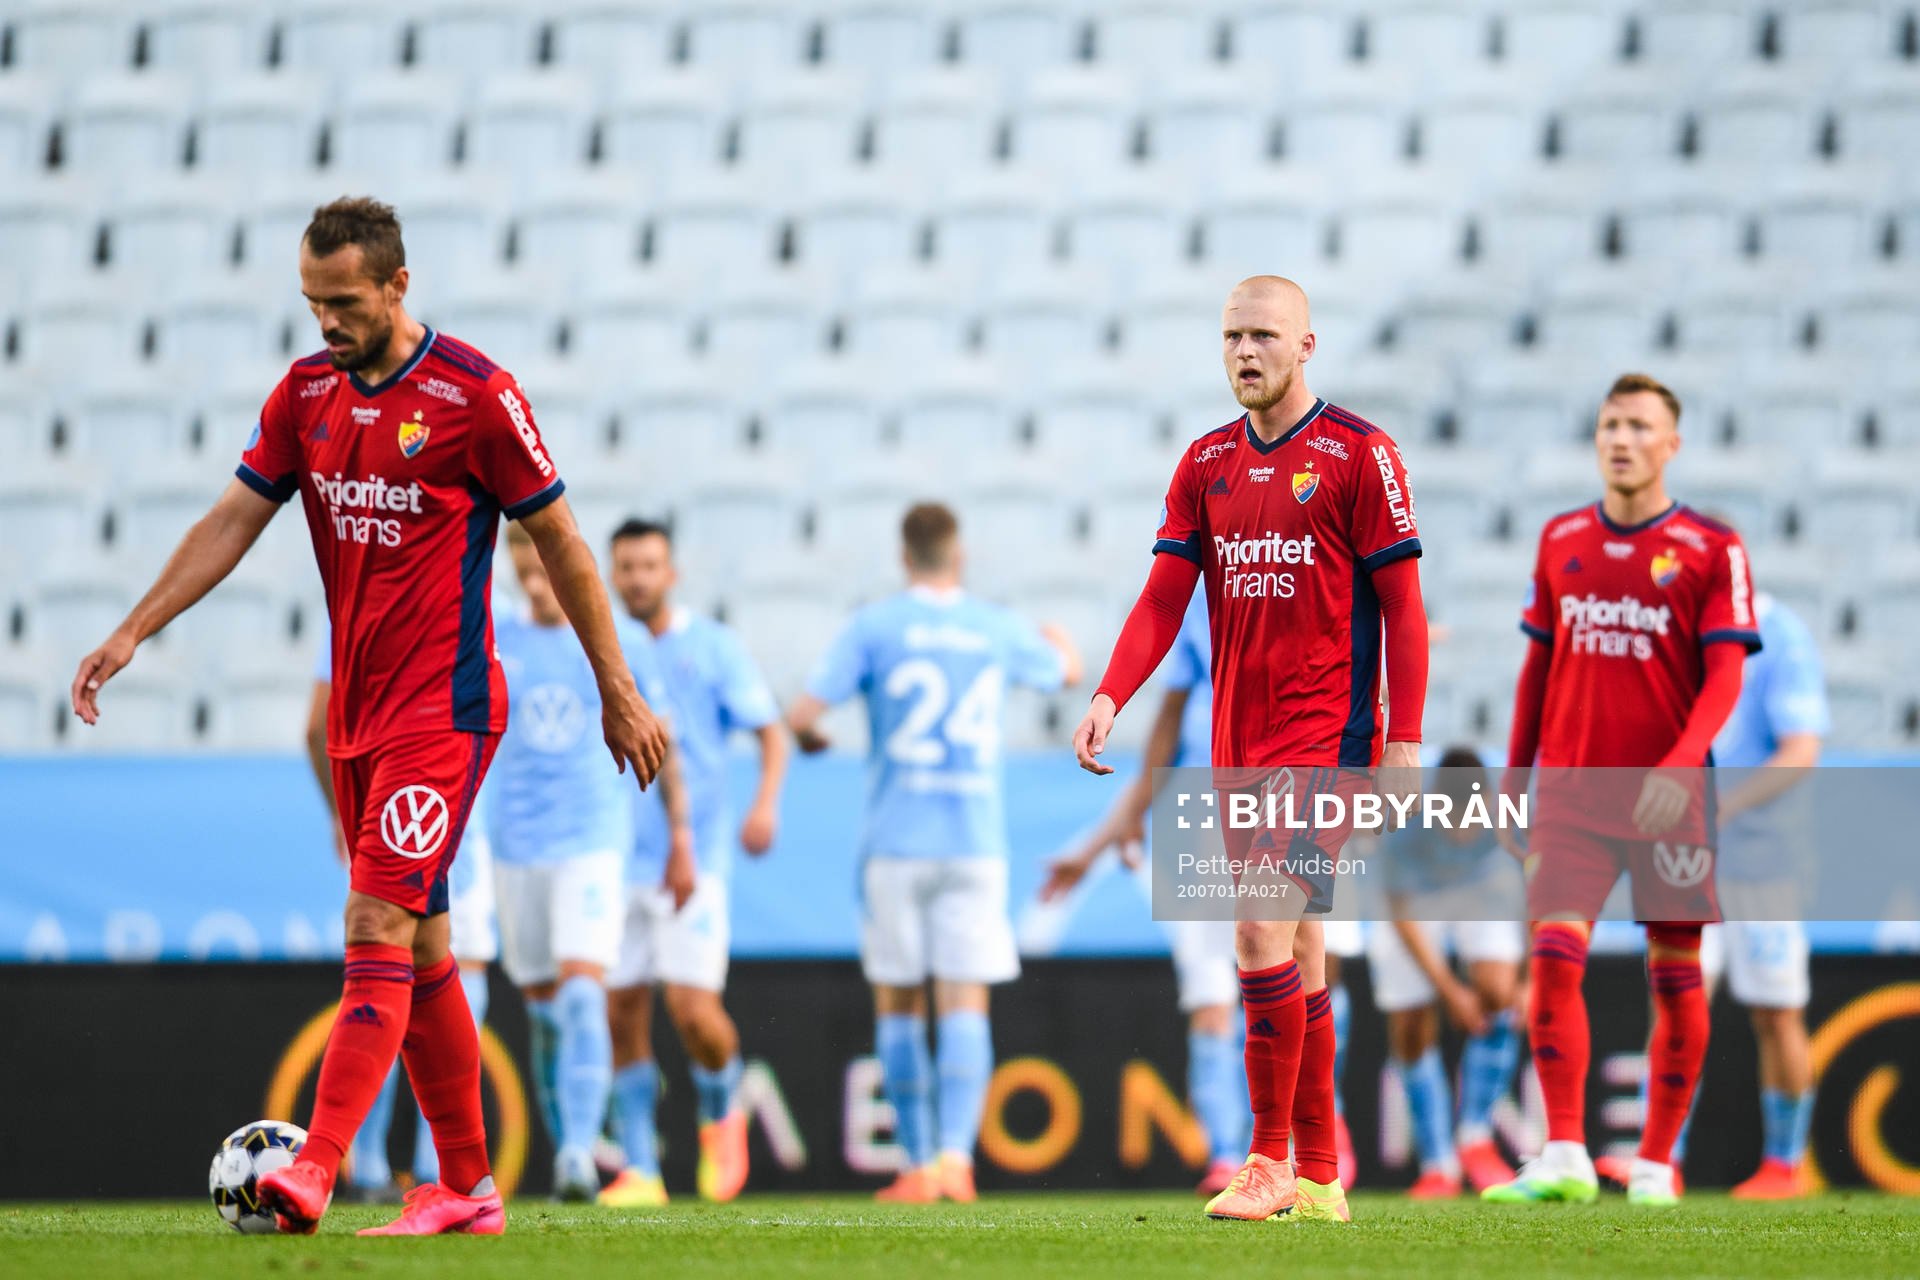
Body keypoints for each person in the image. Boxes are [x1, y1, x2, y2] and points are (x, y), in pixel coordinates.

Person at [70, 197, 670, 1236]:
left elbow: (565, 541)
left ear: (398, 285)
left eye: (343, 302)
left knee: (374, 924)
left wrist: (618, 686)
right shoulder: (306, 393)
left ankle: (314, 1166)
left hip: (446, 711)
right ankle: (469, 1188)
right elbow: (233, 518)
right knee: (428, 947)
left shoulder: (475, 396)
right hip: (358, 716)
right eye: (312, 303)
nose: (326, 324)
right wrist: (134, 630)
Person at [1073, 275, 1430, 1224]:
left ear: (1307, 344)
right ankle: (1320, 1173)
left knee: (1256, 927)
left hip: (1333, 744)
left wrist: (1404, 742)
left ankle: (1266, 1160)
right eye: (1232, 335)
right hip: (1240, 748)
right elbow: (1161, 599)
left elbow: (1403, 607)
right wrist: (1112, 692)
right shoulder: (1204, 463)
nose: (1244, 352)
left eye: (1264, 335)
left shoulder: (1361, 455)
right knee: (1301, 943)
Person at [1484, 373, 1759, 1209]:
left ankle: (1653, 1163)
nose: (1622, 438)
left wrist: (1681, 765)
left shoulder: (1714, 548)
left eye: (1641, 426)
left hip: (1666, 799)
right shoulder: (1560, 536)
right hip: (1570, 793)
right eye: (1610, 424)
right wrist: (1515, 779)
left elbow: (1724, 678)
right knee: (1552, 962)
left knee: (1674, 973)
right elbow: (1538, 667)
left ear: (1671, 444)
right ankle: (1565, 1152)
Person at [788, 503, 1081, 1203]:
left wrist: (811, 740)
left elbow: (801, 714)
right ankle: (956, 1159)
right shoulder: (993, 626)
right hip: (973, 843)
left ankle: (917, 1164)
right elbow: (1066, 675)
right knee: (963, 1004)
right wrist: (1062, 641)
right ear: (960, 555)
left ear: (903, 555)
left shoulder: (875, 625)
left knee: (898, 1003)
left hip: (896, 842)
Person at [1595, 586, 1829, 1199]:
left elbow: (1801, 749)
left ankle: (1784, 1164)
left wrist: (1724, 804)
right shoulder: (1667, 630)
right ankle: (1660, 1160)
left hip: (1762, 862)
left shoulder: (1781, 635)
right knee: (1672, 997)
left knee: (1777, 1012)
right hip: (1682, 852)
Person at [489, 521, 687, 1202]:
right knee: (544, 1013)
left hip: (592, 843)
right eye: (519, 550)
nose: (530, 562)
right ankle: (565, 1150)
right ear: (512, 559)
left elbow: (662, 737)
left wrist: (679, 838)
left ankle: (578, 1154)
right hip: (513, 846)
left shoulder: (617, 639)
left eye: (539, 547)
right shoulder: (490, 636)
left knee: (581, 996)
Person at [1041, 586, 1251, 1196]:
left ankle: (1281, 1144)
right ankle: (1231, 1152)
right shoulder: (1210, 606)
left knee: (1282, 977)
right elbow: (1164, 739)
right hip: (1208, 812)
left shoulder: (1268, 581)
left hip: (1273, 793)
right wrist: (1094, 847)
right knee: (1219, 992)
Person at [603, 518, 789, 1205]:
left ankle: (721, 1112)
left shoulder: (713, 647)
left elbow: (772, 735)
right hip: (616, 855)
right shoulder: (604, 648)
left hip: (697, 854)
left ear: (671, 573)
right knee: (621, 1009)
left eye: (649, 565)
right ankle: (642, 1169)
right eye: (625, 567)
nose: (638, 578)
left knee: (691, 1010)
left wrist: (764, 805)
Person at [304, 623, 497, 1201]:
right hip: (452, 805)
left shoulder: (348, 611)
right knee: (434, 965)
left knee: (389, 961)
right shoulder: (483, 610)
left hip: (386, 798)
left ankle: (367, 1168)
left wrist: (343, 813)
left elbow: (316, 726)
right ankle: (437, 1175)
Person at [1368, 746, 1525, 1198]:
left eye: (1472, 820)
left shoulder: (1508, 821)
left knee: (1501, 993)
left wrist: (1530, 982)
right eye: (1454, 821)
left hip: (1481, 890)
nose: (1464, 832)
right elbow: (1402, 917)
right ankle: (1439, 1164)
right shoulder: (1403, 822)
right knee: (1411, 1024)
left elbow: (1534, 898)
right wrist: (1450, 991)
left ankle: (1474, 1136)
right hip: (1417, 904)